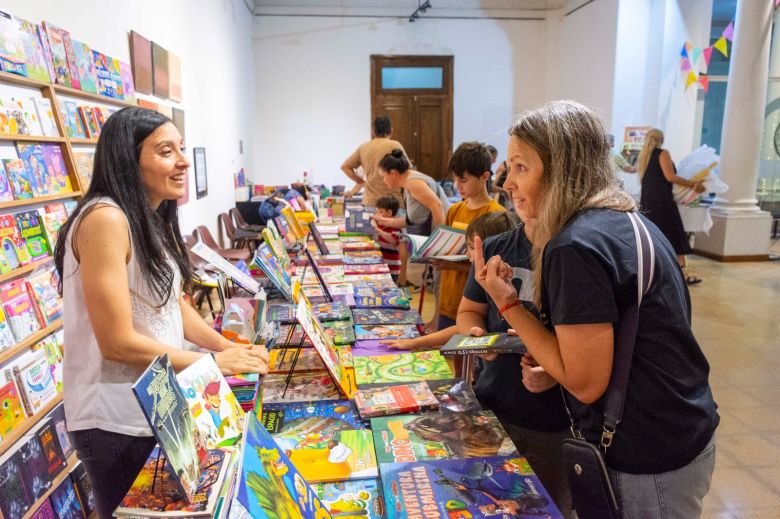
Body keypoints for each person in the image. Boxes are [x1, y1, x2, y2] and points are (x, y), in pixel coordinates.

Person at [474, 101, 718, 518]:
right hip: (680, 429)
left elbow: (585, 383)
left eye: (520, 168)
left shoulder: (574, 245)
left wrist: (506, 302)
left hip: (647, 452)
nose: (507, 184)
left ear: (560, 167)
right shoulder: (623, 219)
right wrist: (552, 365)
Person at [54, 107, 270, 519]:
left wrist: (227, 346)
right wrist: (211, 362)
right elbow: (116, 341)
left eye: (182, 150)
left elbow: (172, 304)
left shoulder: (147, 216)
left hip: (155, 399)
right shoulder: (105, 218)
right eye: (166, 151)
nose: (184, 161)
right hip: (115, 417)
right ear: (127, 159)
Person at [457, 216, 572, 517]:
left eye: (522, 168)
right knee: (483, 503)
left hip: (554, 423)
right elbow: (469, 312)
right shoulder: (497, 247)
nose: (509, 183)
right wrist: (476, 337)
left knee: (542, 507)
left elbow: (591, 351)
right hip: (491, 406)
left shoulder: (575, 251)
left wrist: (556, 372)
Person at [385, 210, 518, 351]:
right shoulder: (481, 281)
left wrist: (415, 342)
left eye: (472, 247)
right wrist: (414, 342)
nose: (467, 254)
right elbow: (461, 328)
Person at [435, 142, 505, 330]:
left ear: (484, 177)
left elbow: (493, 271)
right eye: (455, 179)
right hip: (448, 300)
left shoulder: (497, 215)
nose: (457, 186)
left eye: (463, 181)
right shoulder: (455, 210)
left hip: (477, 306)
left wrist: (449, 264)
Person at [637, 128, 705, 285]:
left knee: (654, 236)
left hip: (648, 201)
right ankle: (681, 274)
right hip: (662, 201)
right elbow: (670, 176)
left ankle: (655, 274)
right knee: (675, 235)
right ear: (662, 139)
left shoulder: (644, 157)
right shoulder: (663, 153)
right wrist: (694, 185)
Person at [375, 149, 449, 236]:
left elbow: (437, 205)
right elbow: (411, 220)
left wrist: (441, 238)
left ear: (392, 173)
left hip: (436, 235)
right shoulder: (408, 181)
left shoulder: (412, 183)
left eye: (382, 177)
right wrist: (383, 221)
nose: (382, 181)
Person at [341, 116, 405, 208]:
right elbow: (407, 170)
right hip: (394, 203)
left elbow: (345, 167)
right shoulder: (395, 145)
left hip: (371, 203)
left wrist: (361, 182)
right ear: (391, 131)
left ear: (373, 131)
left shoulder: (363, 148)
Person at [371, 196, 403, 282]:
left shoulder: (396, 227)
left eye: (380, 212)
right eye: (376, 212)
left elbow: (393, 240)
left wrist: (377, 230)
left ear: (389, 212)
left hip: (391, 269)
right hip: (379, 266)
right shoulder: (380, 225)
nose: (377, 215)